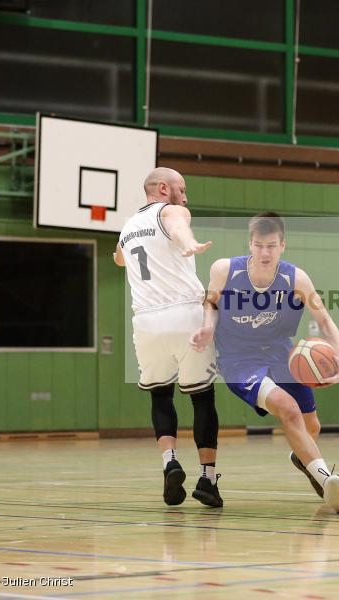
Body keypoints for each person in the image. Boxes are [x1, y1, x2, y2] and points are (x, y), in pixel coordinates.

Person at [190, 212, 339, 514]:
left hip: (281, 355)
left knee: (311, 425)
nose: (264, 253)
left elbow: (324, 320)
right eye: (258, 245)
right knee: (288, 408)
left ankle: (303, 458)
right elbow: (210, 303)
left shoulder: (296, 279)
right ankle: (327, 481)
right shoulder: (225, 270)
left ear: (283, 246)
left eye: (271, 246)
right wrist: (208, 327)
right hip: (239, 360)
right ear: (250, 244)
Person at [115, 167, 223, 508]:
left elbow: (119, 259)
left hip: (146, 322)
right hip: (185, 315)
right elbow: (178, 227)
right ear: (164, 188)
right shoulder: (172, 211)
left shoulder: (128, 227)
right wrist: (189, 244)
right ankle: (207, 479)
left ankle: (170, 462)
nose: (185, 197)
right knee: (202, 397)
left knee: (160, 395)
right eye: (182, 189)